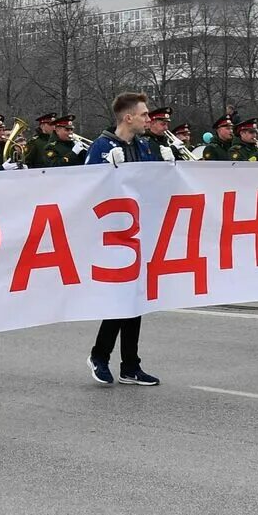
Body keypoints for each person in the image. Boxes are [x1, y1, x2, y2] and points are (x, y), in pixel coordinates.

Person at [83, 93, 164, 386]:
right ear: (128, 117)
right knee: (119, 300)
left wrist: (169, 169)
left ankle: (130, 365)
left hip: (140, 233)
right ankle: (99, 356)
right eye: (143, 114)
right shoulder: (102, 147)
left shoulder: (145, 146)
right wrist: (108, 173)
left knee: (135, 300)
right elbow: (85, 189)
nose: (148, 119)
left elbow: (155, 186)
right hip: (111, 236)